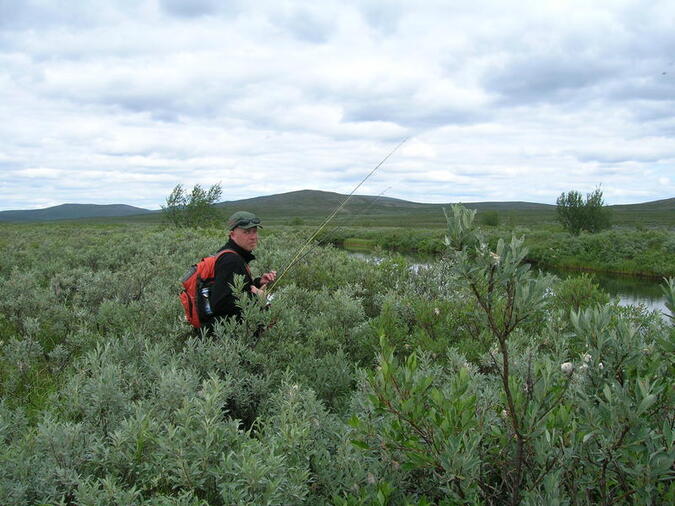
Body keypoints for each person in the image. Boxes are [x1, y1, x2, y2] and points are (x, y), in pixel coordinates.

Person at [204, 211, 276, 329]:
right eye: (246, 232)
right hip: (227, 338)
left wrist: (258, 283)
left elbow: (233, 289)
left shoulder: (234, 255)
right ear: (232, 234)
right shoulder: (231, 260)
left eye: (254, 231)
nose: (253, 237)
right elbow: (221, 304)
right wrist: (259, 297)